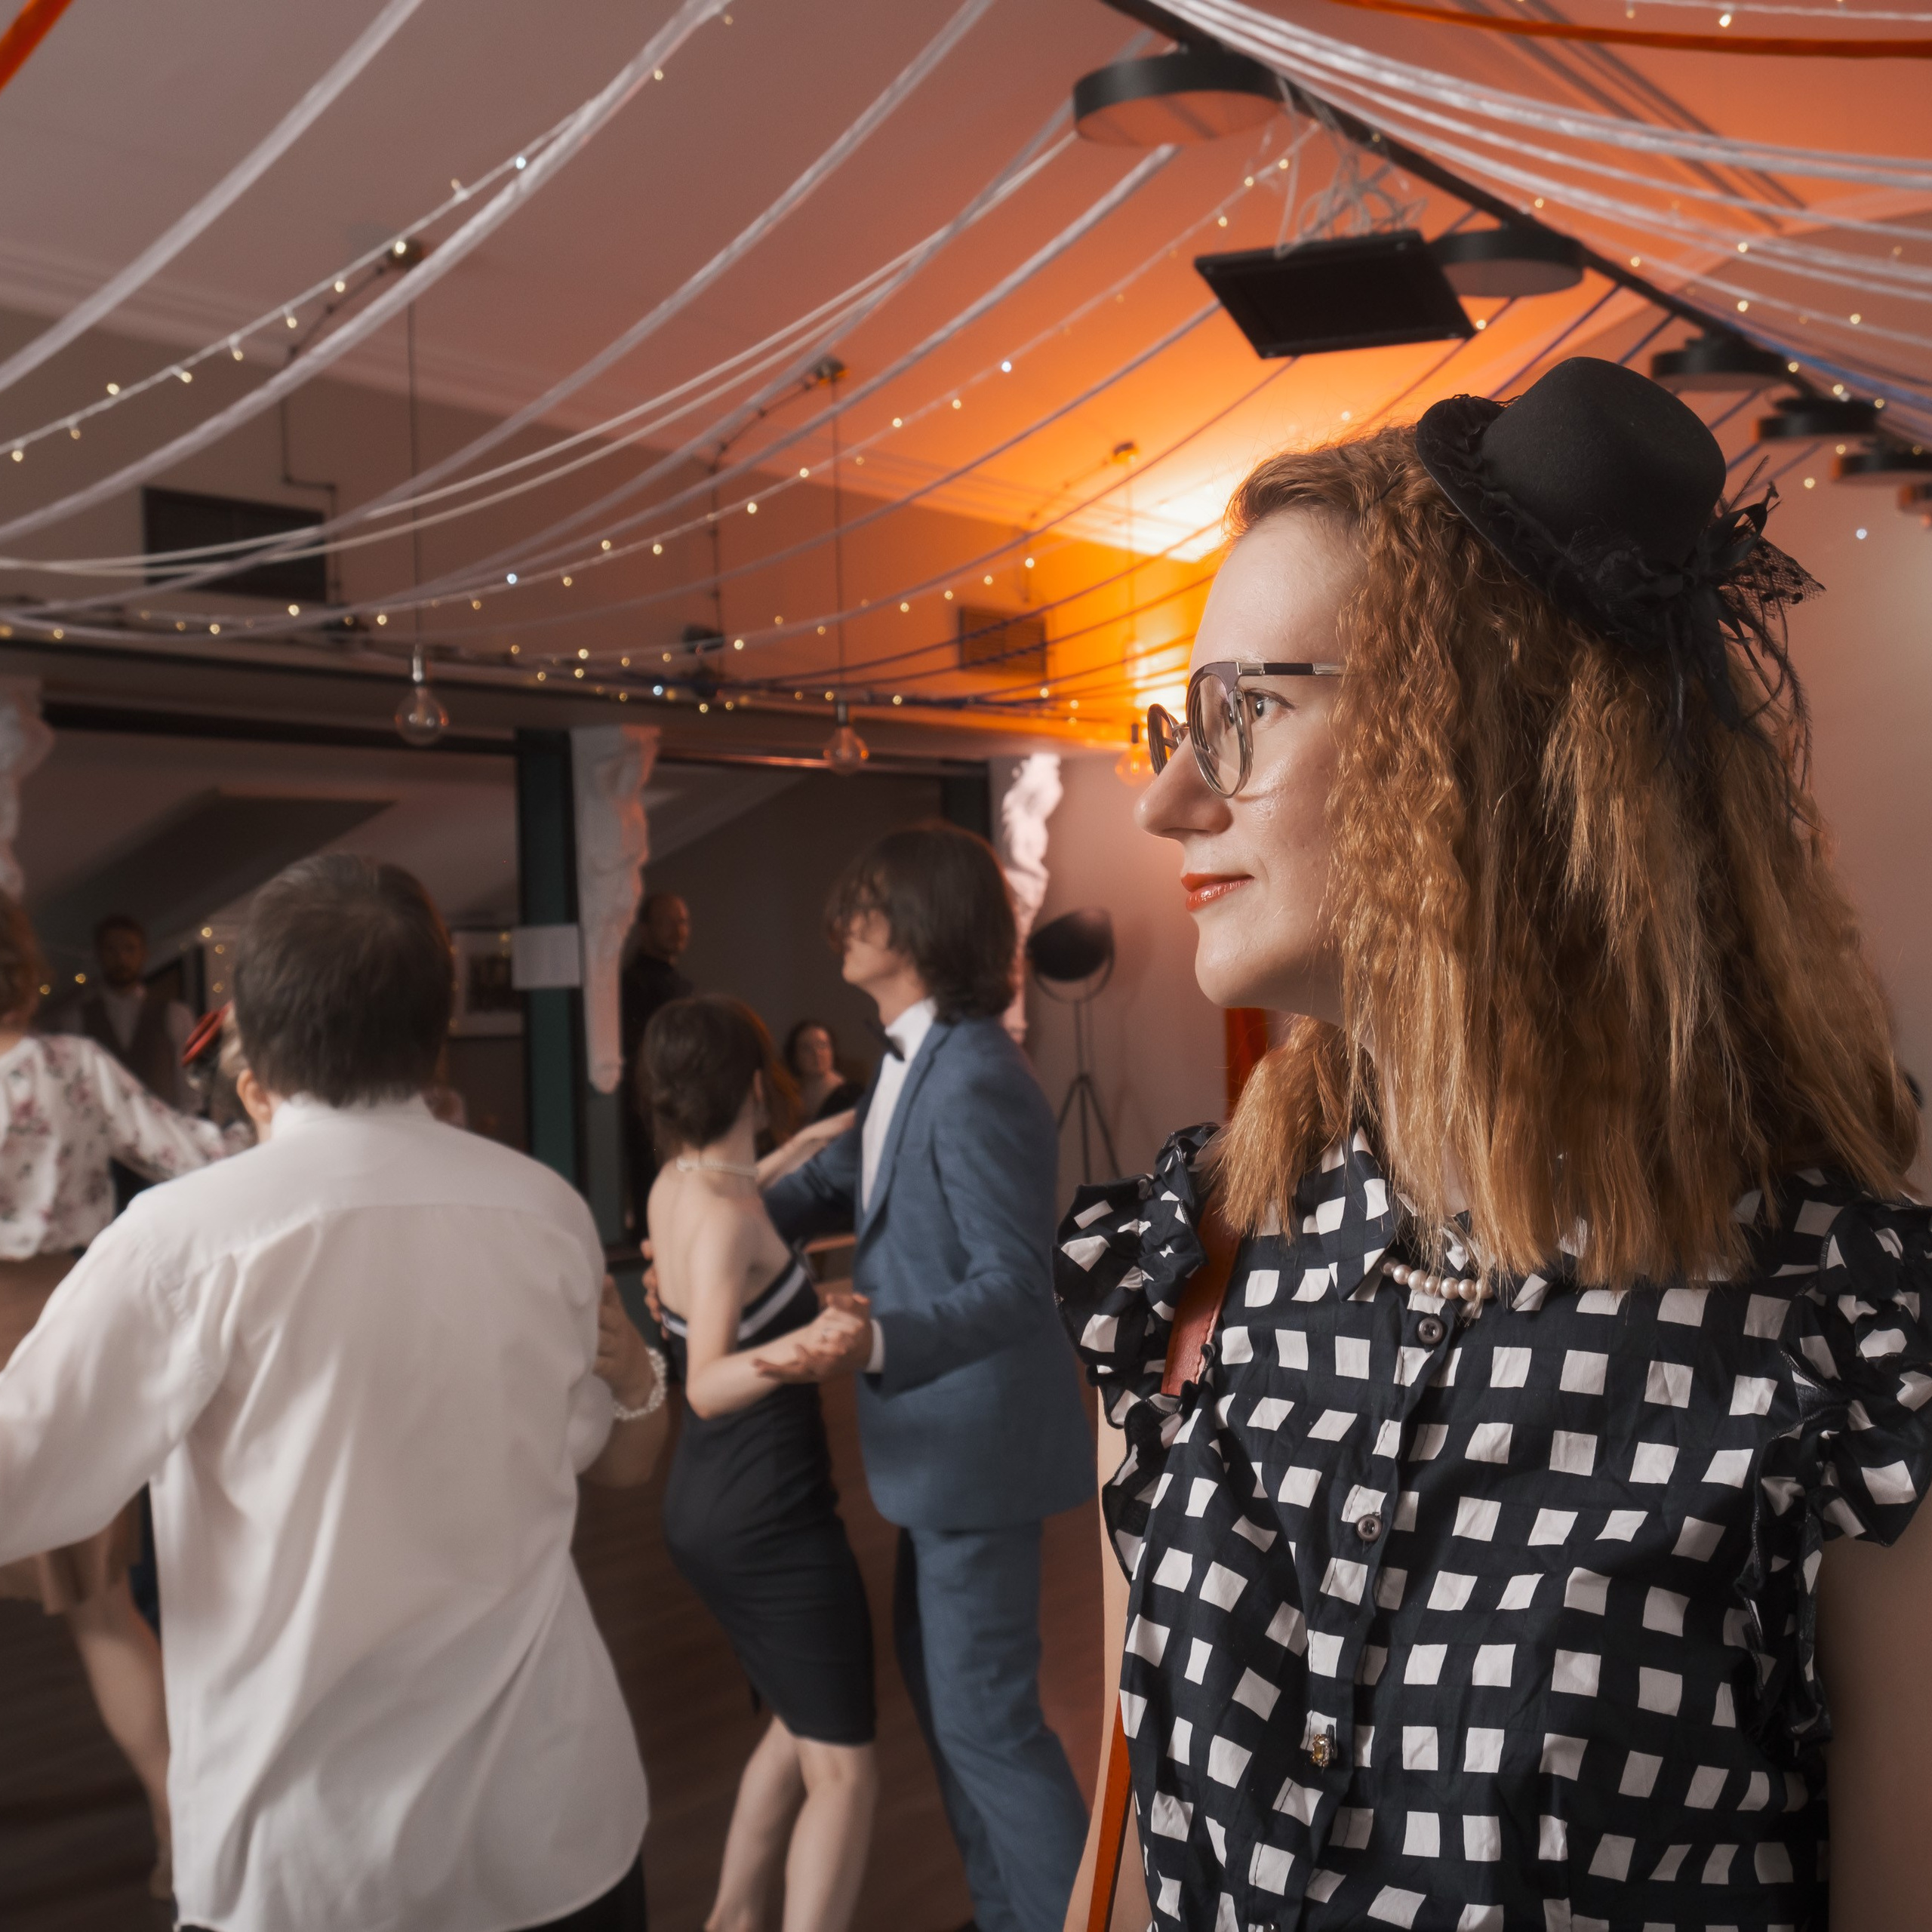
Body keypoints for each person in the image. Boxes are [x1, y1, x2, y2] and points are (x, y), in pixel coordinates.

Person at [1054, 358, 1930, 1930]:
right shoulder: (1186, 1263)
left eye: (1242, 709)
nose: (1170, 798)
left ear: (1478, 745)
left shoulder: (1831, 1336)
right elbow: (1123, 1868)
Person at [0, 854, 669, 1932]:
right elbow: (605, 1446)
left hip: (309, 1858)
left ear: (245, 1038)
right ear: (436, 1029)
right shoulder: (544, 1210)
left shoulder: (186, 1241)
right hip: (553, 1828)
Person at [758, 823, 1094, 1932]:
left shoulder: (978, 1076)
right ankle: (1005, 1914)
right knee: (954, 1710)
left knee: (989, 1724)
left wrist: (882, 1340)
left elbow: (1015, 1284)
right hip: (935, 1456)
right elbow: (847, 1181)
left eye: (867, 902)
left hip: (976, 1451)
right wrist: (715, 1216)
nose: (843, 923)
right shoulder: (918, 1057)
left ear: (920, 925)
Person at [0, 891, 238, 1900]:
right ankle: (184, 1839)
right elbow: (201, 1160)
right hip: (66, 1335)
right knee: (103, 1613)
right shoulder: (70, 1066)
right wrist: (254, 1093)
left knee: (103, 1612)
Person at [644, 994, 876, 1932]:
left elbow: (739, 1190)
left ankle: (733, 1920)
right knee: (846, 1770)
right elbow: (701, 1381)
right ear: (751, 1081)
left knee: (797, 1719)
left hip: (708, 1504)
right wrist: (814, 1336)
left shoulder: (683, 1181)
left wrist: (817, 1137)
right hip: (765, 1510)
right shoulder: (727, 1219)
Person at [63, 912, 196, 1108]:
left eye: (129, 949)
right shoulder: (77, 1020)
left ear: (143, 954)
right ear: (99, 955)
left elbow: (188, 1087)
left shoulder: (174, 1015)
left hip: (161, 1133)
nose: (121, 958)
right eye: (111, 950)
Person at [621, 891, 694, 1226]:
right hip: (649, 1106)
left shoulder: (680, 984)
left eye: (682, 921)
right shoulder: (632, 984)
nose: (677, 930)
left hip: (682, 1103)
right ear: (646, 929)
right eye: (667, 922)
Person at [785, 1018, 864, 1125]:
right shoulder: (787, 1097)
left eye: (823, 1045)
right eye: (806, 1048)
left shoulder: (851, 1095)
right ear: (795, 1056)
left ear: (832, 1051)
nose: (817, 1053)